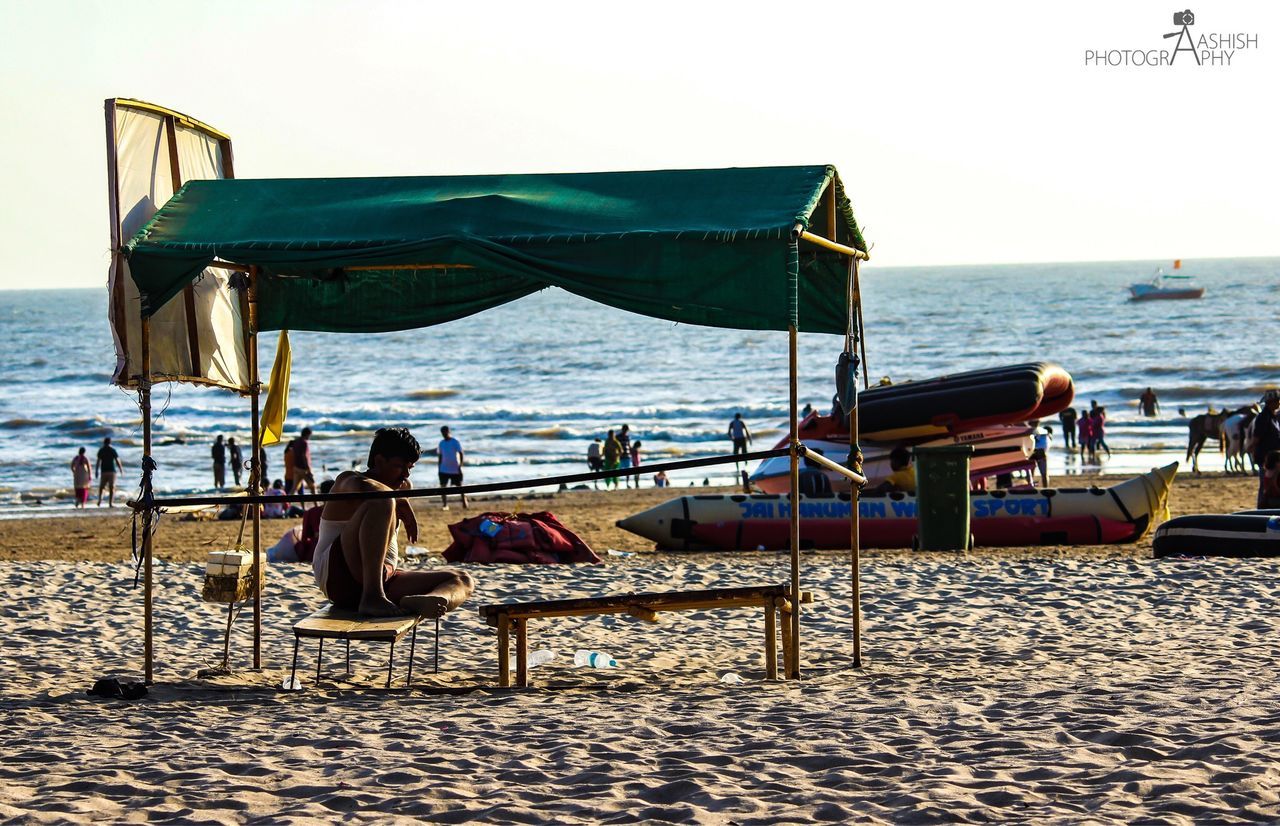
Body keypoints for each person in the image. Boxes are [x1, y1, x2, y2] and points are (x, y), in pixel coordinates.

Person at [312, 427, 474, 617]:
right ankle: (372, 597)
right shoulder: (348, 480)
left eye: (410, 468)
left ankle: (434, 599)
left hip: (384, 577)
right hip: (338, 576)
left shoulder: (401, 487)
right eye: (400, 466)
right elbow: (370, 490)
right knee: (383, 499)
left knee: (462, 579)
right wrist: (399, 499)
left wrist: (399, 497)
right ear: (379, 461)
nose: (406, 474)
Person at [1248, 391, 1280, 508]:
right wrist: (1251, 448)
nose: (1279, 403)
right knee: (1265, 484)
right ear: (1270, 403)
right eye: (1277, 401)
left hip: (1273, 457)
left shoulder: (1273, 417)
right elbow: (1257, 437)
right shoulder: (1264, 417)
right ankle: (1261, 508)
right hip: (1266, 458)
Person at [437, 425, 467, 509]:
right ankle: (445, 504)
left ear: (448, 431)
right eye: (442, 432)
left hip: (454, 468)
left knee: (460, 487)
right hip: (443, 468)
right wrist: (439, 467)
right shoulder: (441, 443)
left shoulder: (455, 442)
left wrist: (460, 465)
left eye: (445, 432)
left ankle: (464, 502)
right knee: (443, 487)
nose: (444, 434)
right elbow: (440, 456)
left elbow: (461, 453)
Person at [286, 428, 316, 496]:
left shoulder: (296, 441)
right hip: (303, 469)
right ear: (307, 434)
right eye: (309, 435)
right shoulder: (304, 442)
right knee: (312, 487)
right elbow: (304, 456)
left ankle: (287, 504)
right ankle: (316, 505)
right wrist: (309, 469)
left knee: (294, 488)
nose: (309, 437)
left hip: (296, 468)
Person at [96, 437, 123, 507]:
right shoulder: (112, 450)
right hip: (111, 471)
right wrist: (120, 469)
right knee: (111, 487)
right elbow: (117, 461)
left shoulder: (101, 450)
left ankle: (100, 500)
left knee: (102, 487)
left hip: (104, 471)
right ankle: (110, 503)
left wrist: (96, 470)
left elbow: (98, 461)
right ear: (110, 442)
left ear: (104, 442)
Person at [1031, 423, 1053, 487]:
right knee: (1044, 474)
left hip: (1034, 453)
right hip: (1041, 454)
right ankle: (1045, 487)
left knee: (1032, 472)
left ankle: (1032, 486)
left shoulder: (1043, 435)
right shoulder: (1047, 436)